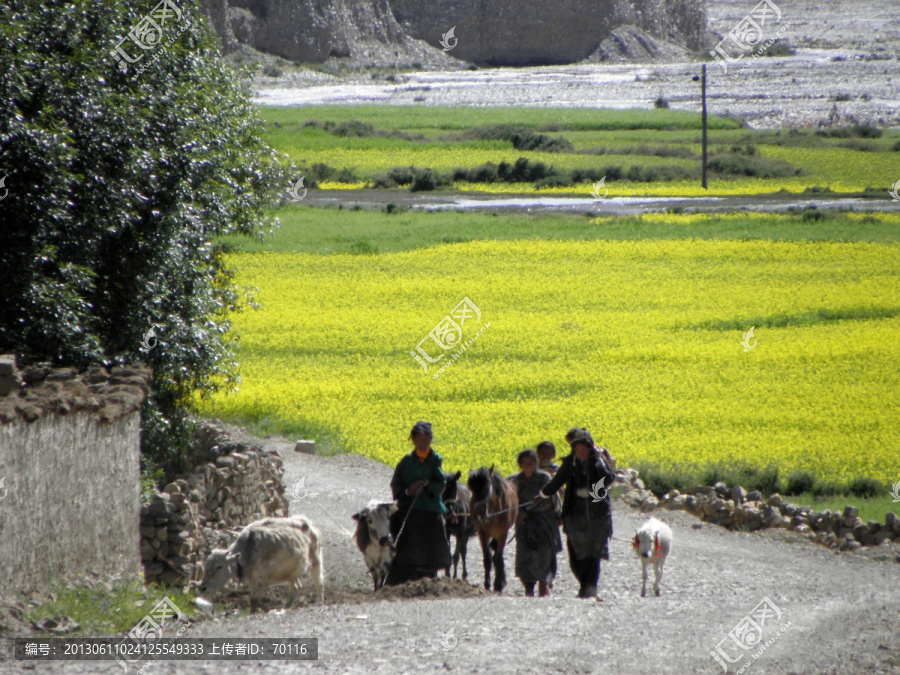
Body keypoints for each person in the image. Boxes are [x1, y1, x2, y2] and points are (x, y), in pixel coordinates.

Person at [534, 430, 616, 599]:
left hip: (597, 513)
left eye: (584, 449)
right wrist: (542, 495)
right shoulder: (570, 462)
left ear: (590, 449)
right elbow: (557, 482)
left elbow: (608, 479)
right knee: (576, 553)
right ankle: (584, 583)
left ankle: (589, 586)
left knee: (594, 552)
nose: (581, 453)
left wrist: (598, 461)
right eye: (577, 449)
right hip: (574, 512)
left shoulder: (598, 461)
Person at [385, 421, 451, 585]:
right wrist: (409, 490)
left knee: (435, 535)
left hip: (430, 507)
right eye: (420, 439)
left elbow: (441, 483)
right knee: (400, 533)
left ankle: (430, 574)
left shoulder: (435, 460)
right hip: (410, 508)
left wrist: (428, 485)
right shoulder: (406, 462)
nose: (423, 443)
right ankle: (402, 576)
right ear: (413, 440)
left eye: (426, 439)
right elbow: (396, 484)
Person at [509, 449, 562, 597]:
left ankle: (543, 582)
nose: (528, 466)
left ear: (536, 464)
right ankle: (528, 586)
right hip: (524, 522)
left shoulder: (544, 478)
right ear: (520, 465)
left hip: (543, 520)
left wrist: (533, 508)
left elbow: (550, 497)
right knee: (524, 553)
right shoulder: (516, 481)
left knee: (544, 552)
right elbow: (513, 500)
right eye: (525, 463)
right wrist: (519, 512)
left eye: (531, 463)